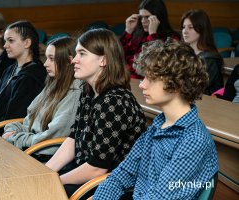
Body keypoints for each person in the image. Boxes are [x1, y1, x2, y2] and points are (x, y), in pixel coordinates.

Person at [93, 40, 219, 199]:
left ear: (177, 83)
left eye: (151, 79)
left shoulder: (194, 140)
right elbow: (121, 176)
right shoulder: (157, 126)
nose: (142, 85)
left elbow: (160, 197)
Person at [45, 28, 147, 197]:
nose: (74, 60)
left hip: (111, 186)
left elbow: (97, 168)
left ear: (103, 60)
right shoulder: (89, 91)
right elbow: (73, 138)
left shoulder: (114, 101)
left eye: (82, 54)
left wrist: (55, 181)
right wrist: (46, 172)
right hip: (85, 173)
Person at [2, 37, 82, 158]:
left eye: (51, 59)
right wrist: (11, 130)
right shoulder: (53, 84)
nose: (45, 64)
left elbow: (51, 140)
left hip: (41, 157)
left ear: (68, 61)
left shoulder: (75, 93)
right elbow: (28, 121)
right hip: (29, 149)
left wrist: (16, 139)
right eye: (46, 58)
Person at [0, 20, 46, 134]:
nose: (5, 45)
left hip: (6, 136)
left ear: (27, 43)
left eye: (11, 41)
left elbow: (15, 117)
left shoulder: (32, 77)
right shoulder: (11, 69)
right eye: (5, 41)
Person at [121, 0, 180, 79]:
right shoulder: (138, 33)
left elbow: (158, 64)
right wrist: (128, 31)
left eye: (147, 17)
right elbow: (118, 56)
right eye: (141, 17)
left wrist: (152, 34)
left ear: (158, 18)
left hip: (149, 82)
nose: (143, 21)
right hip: (127, 79)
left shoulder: (172, 37)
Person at [181, 9, 224, 95]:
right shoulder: (183, 53)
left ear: (201, 29)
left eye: (190, 27)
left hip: (204, 104)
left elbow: (193, 88)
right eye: (183, 27)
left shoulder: (209, 59)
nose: (185, 31)